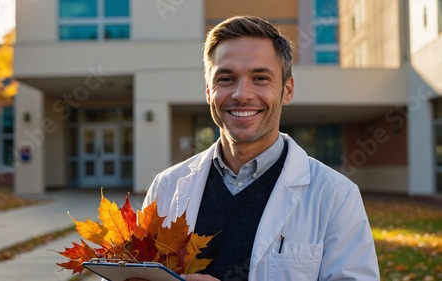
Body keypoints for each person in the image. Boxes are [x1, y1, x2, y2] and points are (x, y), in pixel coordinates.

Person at [138, 15, 380, 281]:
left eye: (260, 78)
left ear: (287, 90)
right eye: (226, 79)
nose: (242, 94)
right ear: (208, 91)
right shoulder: (166, 187)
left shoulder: (335, 195)